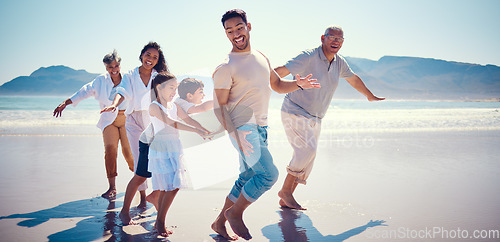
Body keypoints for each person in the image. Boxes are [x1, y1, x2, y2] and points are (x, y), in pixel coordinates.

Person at [211, 9, 320, 240]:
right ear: (226, 34)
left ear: (248, 26)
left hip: (260, 127)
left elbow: (278, 85)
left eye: (239, 28)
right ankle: (236, 213)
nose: (235, 34)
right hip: (241, 128)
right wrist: (237, 136)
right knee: (268, 175)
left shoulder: (261, 56)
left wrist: (298, 85)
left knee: (248, 176)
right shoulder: (225, 67)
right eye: (229, 31)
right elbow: (219, 107)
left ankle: (219, 223)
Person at [275, 26, 385, 210]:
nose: (336, 41)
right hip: (294, 110)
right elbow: (280, 71)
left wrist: (369, 95)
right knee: (306, 152)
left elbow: (353, 79)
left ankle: (287, 198)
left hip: (316, 117)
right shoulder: (308, 56)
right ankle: (285, 191)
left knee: (309, 157)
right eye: (331, 37)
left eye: (340, 39)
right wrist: (257, 81)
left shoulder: (339, 63)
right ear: (322, 38)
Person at [53, 50, 134, 198]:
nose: (114, 69)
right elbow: (84, 91)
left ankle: (139, 184)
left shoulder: (128, 78)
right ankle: (112, 187)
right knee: (110, 151)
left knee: (129, 154)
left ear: (120, 65)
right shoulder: (100, 81)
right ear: (105, 67)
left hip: (127, 119)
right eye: (110, 67)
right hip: (109, 120)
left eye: (116, 65)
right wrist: (66, 102)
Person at [102, 42, 168, 209]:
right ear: (141, 55)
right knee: (139, 161)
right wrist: (115, 105)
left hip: (153, 119)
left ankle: (157, 195)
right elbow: (122, 91)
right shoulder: (131, 75)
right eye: (148, 55)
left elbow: (167, 95)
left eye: (155, 57)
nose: (150, 59)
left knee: (158, 159)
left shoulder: (158, 76)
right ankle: (143, 196)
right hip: (133, 120)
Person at [148, 72, 210, 236]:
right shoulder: (154, 106)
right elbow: (171, 123)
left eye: (175, 88)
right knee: (172, 186)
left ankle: (159, 221)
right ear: (159, 88)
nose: (174, 92)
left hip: (175, 147)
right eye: (171, 88)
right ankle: (160, 222)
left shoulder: (174, 106)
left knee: (169, 186)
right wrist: (196, 130)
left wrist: (203, 130)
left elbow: (188, 120)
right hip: (161, 148)